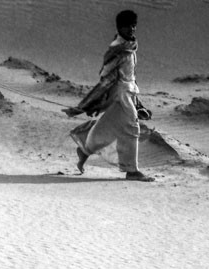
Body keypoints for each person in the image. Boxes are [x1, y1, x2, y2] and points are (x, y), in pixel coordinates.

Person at [64, 9, 154, 182]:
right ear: (119, 27)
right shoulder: (118, 51)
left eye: (134, 26)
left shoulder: (130, 47)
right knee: (131, 128)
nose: (132, 30)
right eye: (127, 26)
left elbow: (130, 79)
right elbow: (105, 81)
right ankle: (132, 171)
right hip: (119, 95)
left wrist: (138, 103)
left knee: (109, 127)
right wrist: (85, 105)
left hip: (128, 93)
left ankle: (84, 150)